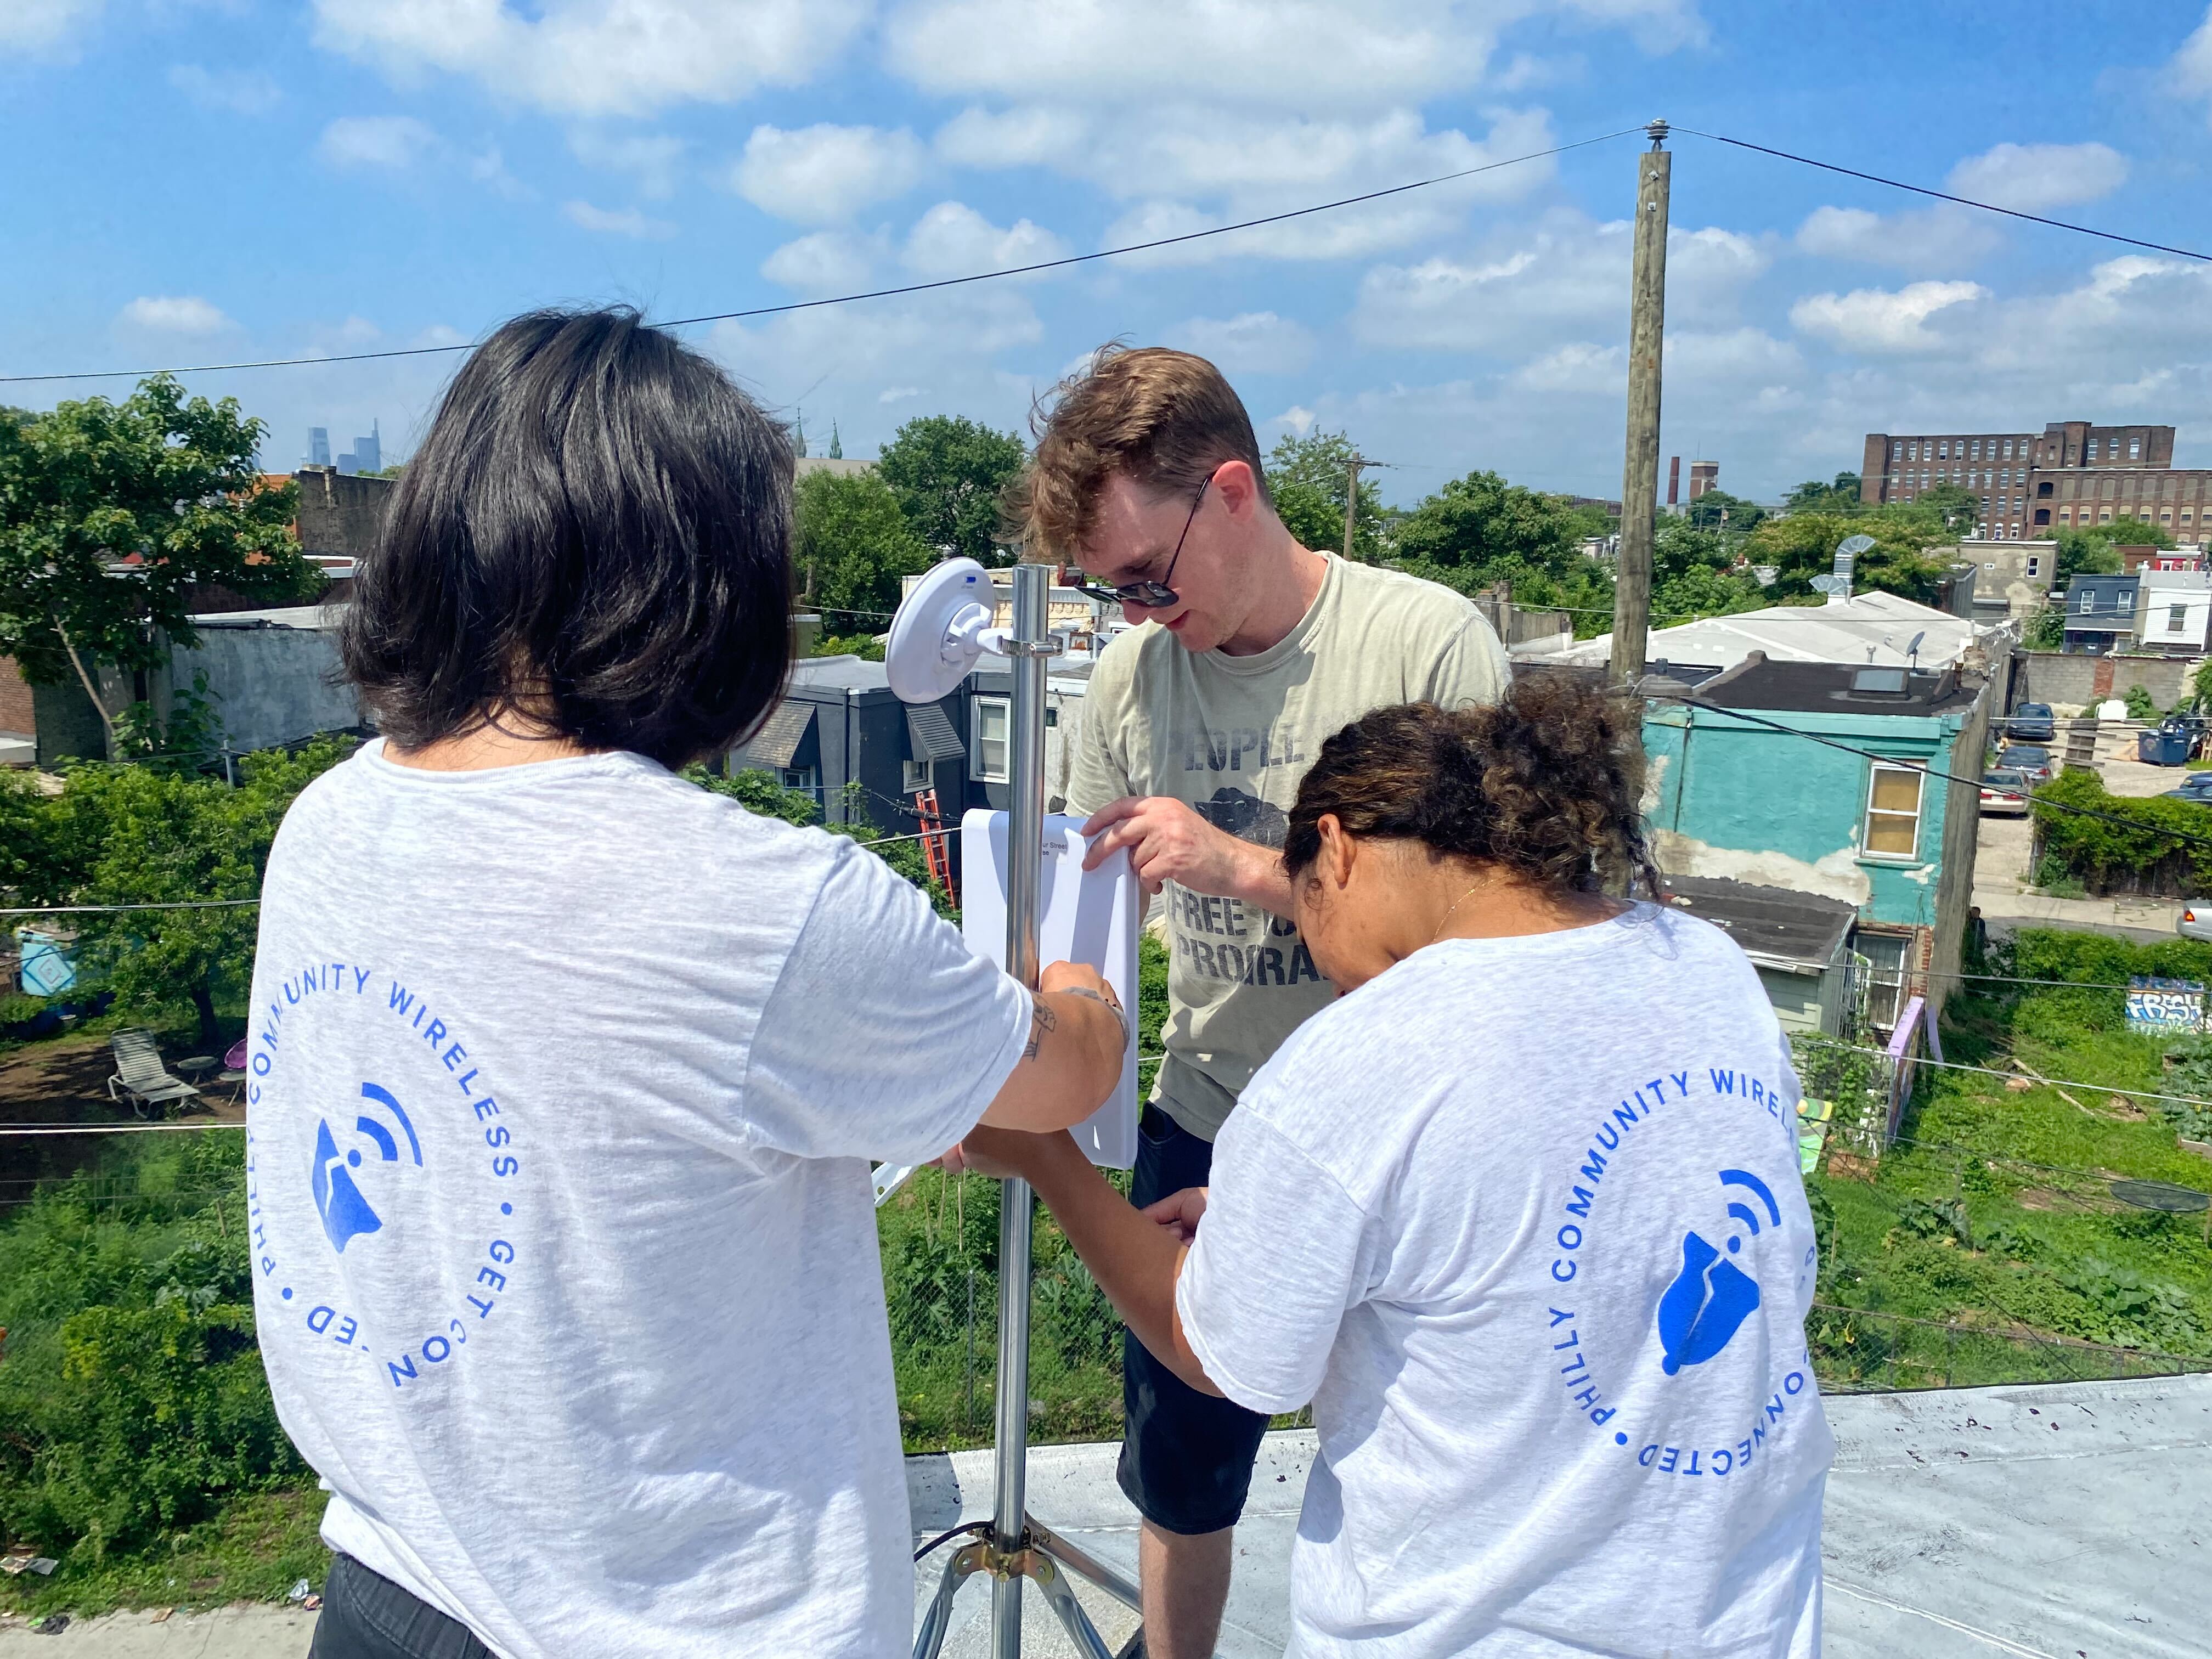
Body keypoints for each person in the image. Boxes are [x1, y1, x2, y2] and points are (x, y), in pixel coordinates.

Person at [245, 308, 1128, 1659]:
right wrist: (1079, 980)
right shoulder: (767, 904)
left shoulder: (326, 824)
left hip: (388, 1581)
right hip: (685, 1622)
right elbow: (1066, 1072)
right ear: (703, 586)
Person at [954, 678, 1836, 1657]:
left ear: (1332, 849)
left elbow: (1217, 1356)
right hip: (1742, 1612)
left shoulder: (1365, 1051)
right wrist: (1283, 1214)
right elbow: (1546, 1217)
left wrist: (1049, 1159)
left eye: (1302, 907)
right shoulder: (1703, 962)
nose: (1324, 964)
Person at [1012, 345, 1509, 1655]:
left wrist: (1242, 868)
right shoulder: (1128, 683)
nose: (1135, 613)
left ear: (1230, 491)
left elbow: (1497, 929)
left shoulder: (1423, 642)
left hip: (1410, 1144)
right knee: (1182, 1471)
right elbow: (1088, 929)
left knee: (1428, 1455)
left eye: (1145, 579)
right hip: (1212, 1110)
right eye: (1109, 590)